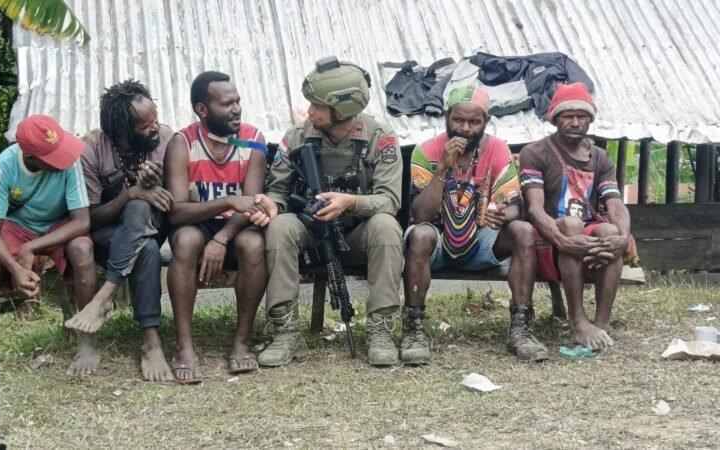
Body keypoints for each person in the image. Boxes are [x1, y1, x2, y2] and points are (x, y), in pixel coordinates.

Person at [249, 56, 404, 367]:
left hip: (357, 234)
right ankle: (286, 332)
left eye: (317, 106)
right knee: (280, 227)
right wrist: (272, 204)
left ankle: (380, 331)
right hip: (311, 232)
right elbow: (278, 190)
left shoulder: (379, 138)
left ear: (342, 109)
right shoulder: (296, 136)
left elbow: (389, 200)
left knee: (387, 226)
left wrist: (350, 202)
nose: (310, 112)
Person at [402, 86, 546, 363]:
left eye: (474, 122)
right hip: (437, 242)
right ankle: (414, 329)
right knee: (419, 235)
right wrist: (442, 167)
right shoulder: (425, 151)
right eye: (458, 120)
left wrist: (503, 215)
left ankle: (521, 328)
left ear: (486, 121)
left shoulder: (498, 149)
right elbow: (421, 216)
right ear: (446, 116)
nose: (465, 129)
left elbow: (514, 206)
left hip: (482, 240)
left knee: (523, 231)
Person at [164, 71, 270, 384]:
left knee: (253, 244)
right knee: (184, 241)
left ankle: (241, 341)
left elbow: (252, 204)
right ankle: (184, 346)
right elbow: (176, 212)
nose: (236, 109)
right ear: (202, 109)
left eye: (237, 101)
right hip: (195, 223)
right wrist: (226, 201)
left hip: (237, 227)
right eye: (226, 104)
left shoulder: (254, 140)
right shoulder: (182, 143)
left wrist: (222, 238)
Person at [64, 80, 174, 381]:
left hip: (154, 225)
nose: (155, 127)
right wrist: (130, 194)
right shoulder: (90, 150)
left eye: (155, 118)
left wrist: (157, 184)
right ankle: (151, 342)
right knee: (146, 246)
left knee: (141, 210)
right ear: (121, 131)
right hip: (107, 235)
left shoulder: (167, 140)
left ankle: (103, 297)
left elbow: (179, 198)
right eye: (145, 125)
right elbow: (87, 219)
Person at [0, 115, 95, 375]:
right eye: (53, 157)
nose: (63, 159)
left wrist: (30, 248)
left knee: (82, 249)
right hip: (16, 227)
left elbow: (82, 222)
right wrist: (15, 268)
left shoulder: (69, 161)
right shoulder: (3, 166)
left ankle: (88, 342)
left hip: (58, 226)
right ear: (30, 156)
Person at [519, 82, 630, 351]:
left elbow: (615, 204)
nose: (576, 122)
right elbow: (534, 209)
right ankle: (578, 321)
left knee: (610, 232)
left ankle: (601, 324)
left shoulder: (600, 157)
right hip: (548, 237)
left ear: (590, 120)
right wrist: (562, 239)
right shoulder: (535, 153)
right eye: (568, 116)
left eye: (582, 116)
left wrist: (623, 237)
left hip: (585, 236)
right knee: (571, 224)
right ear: (555, 118)